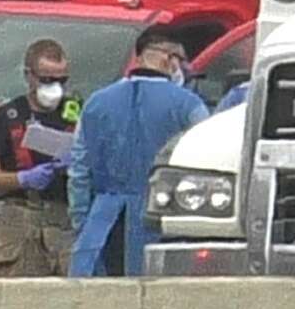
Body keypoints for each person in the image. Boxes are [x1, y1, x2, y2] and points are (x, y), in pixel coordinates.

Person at [68, 28, 209, 276]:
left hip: (102, 225)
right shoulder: (189, 105)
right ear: (170, 58)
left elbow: (79, 169)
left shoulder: (96, 102)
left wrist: (83, 224)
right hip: (163, 224)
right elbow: (206, 163)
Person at [0, 39, 80, 276]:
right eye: (47, 79)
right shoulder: (8, 116)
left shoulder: (79, 112)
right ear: (29, 76)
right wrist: (22, 179)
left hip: (65, 222)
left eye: (62, 80)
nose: (55, 87)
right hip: (19, 220)